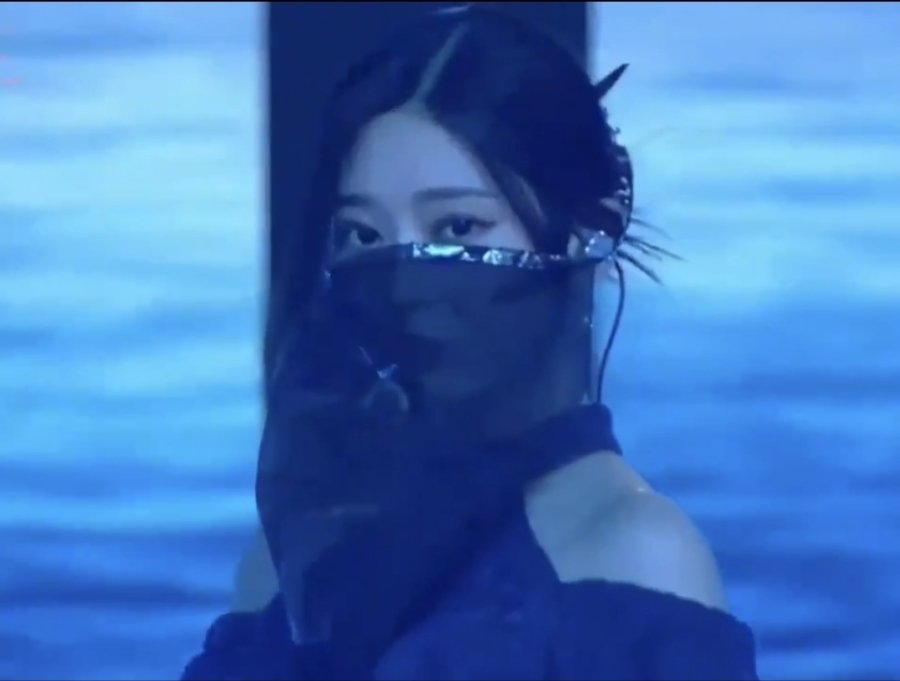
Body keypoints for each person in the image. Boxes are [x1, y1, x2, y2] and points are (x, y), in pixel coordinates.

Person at [182, 6, 758, 680]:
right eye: (365, 235)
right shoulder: (291, 553)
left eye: (457, 227)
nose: (404, 281)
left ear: (588, 233)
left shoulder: (635, 555)